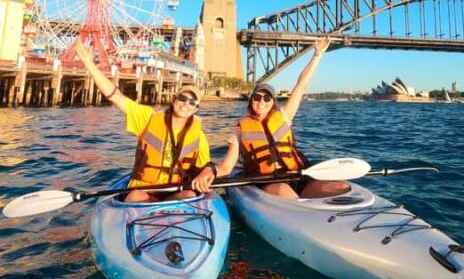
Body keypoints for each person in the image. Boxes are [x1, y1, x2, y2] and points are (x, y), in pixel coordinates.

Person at [191, 37, 350, 199]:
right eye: (257, 97)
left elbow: (301, 84)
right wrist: (209, 170)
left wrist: (317, 55)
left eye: (267, 98)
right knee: (283, 190)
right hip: (267, 181)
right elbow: (226, 167)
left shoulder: (284, 115)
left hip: (296, 175)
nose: (261, 101)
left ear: (273, 102)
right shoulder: (240, 130)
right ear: (251, 100)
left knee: (341, 186)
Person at [75, 39, 213, 202]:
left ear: (196, 109)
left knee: (189, 195)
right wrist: (89, 64)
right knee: (135, 196)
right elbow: (115, 96)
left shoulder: (199, 137)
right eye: (183, 98)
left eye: (192, 102)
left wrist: (207, 172)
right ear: (174, 99)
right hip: (144, 189)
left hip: (176, 190)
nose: (186, 104)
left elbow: (207, 166)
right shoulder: (148, 117)